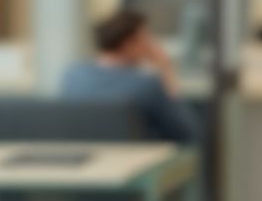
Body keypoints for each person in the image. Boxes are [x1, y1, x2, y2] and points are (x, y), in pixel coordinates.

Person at [61, 9, 198, 144]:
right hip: (141, 160)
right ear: (129, 44)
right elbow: (186, 132)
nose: (150, 45)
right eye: (146, 39)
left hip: (93, 160)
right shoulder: (146, 85)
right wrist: (167, 69)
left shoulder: (73, 75)